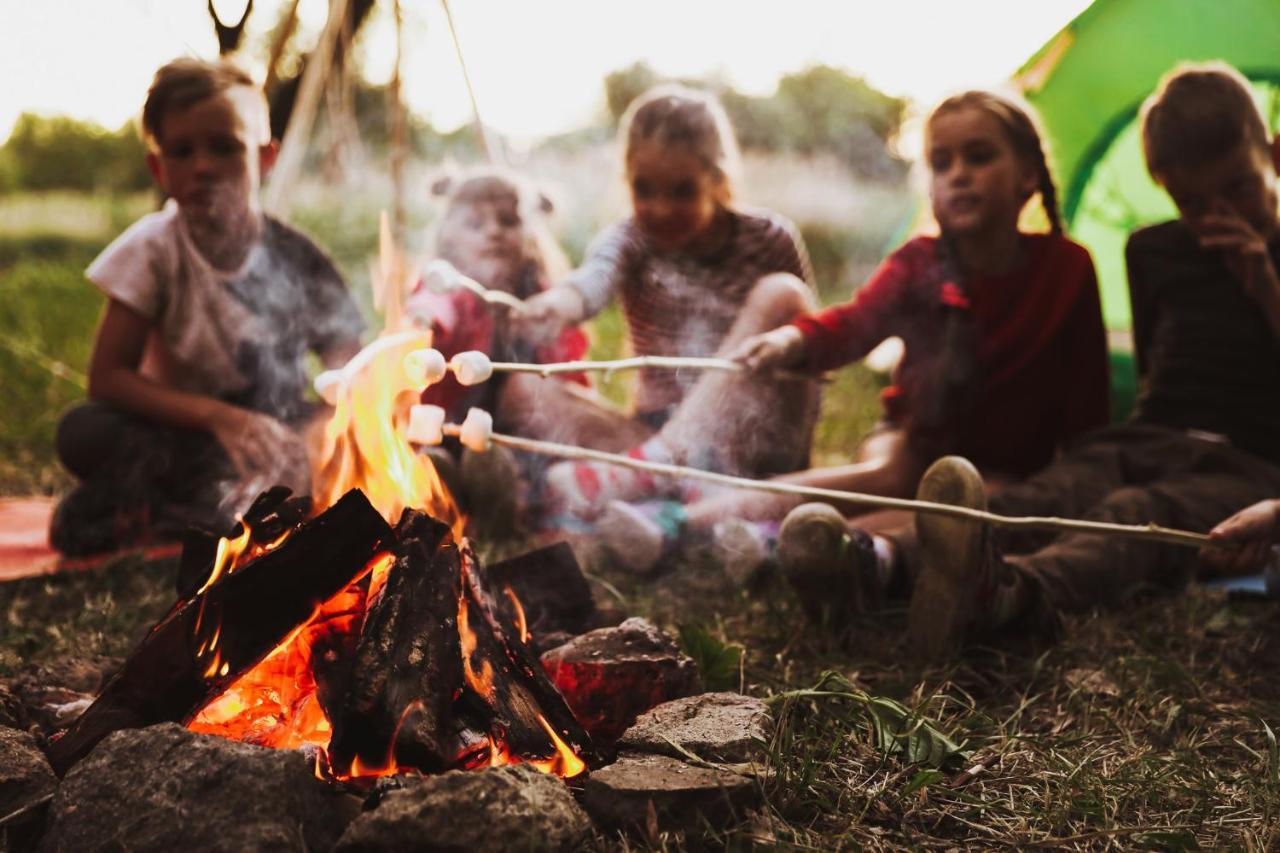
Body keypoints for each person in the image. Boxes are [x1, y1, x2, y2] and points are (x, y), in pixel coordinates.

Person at [803, 62, 1280, 658]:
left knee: (1135, 516)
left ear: (1272, 151)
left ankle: (1010, 595)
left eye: (1237, 188)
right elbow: (1161, 368)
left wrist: (1263, 284)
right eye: (1190, 200)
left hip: (1244, 463)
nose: (1217, 214)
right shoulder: (1154, 250)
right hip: (1147, 438)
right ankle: (881, 561)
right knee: (1049, 493)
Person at [594, 89, 1110, 577]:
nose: (959, 176)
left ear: (1026, 174)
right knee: (893, 478)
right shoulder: (921, 262)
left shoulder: (1067, 269)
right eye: (942, 162)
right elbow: (855, 323)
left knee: (968, 506)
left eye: (978, 157)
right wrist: (794, 341)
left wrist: (1083, 475)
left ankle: (783, 544)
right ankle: (680, 524)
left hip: (1005, 465)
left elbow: (1086, 393)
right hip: (909, 440)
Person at [49, 58, 365, 556]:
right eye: (182, 151)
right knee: (83, 431)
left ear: (265, 158)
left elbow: (352, 364)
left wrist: (322, 430)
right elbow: (108, 378)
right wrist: (224, 420)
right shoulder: (153, 249)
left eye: (225, 147)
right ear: (159, 168)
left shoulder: (297, 256)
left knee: (347, 445)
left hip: (275, 434)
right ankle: (214, 509)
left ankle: (180, 513)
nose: (203, 166)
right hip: (183, 434)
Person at [514, 84, 821, 547]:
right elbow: (595, 276)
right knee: (522, 388)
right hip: (653, 436)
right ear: (626, 179)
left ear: (716, 179)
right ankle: (690, 497)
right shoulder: (630, 239)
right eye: (644, 189)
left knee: (782, 295)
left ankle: (663, 476)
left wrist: (795, 457)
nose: (660, 208)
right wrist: (562, 303)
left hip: (757, 443)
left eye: (682, 191)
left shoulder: (771, 238)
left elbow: (812, 348)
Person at [404, 170, 591, 528]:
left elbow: (568, 369)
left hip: (523, 435)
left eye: (508, 221)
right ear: (449, 240)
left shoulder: (541, 298)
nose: (493, 232)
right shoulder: (455, 288)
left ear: (530, 235)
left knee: (516, 460)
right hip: (454, 423)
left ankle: (504, 499)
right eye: (475, 224)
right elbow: (435, 303)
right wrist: (422, 319)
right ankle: (445, 484)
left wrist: (575, 408)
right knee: (447, 453)